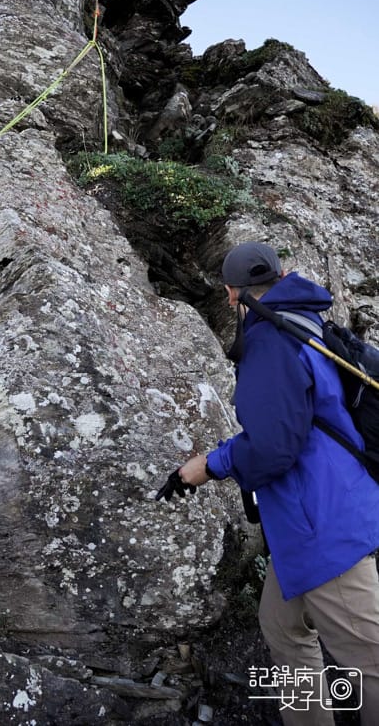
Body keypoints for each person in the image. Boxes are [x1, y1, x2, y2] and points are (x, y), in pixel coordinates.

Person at [172, 242, 379, 725]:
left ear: (231, 295)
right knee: (283, 630)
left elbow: (271, 448)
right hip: (326, 508)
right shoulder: (308, 321)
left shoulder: (269, 341)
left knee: (371, 664)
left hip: (321, 527)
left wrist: (209, 465)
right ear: (283, 275)